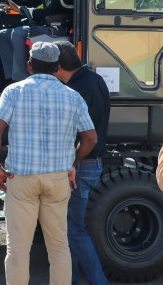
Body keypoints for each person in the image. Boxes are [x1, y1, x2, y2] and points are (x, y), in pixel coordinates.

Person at [0, 41, 97, 285]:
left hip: (21, 179)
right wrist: (73, 163)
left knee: (17, 249)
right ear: (57, 67)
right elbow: (90, 138)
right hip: (58, 179)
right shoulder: (73, 96)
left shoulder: (14, 92)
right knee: (58, 247)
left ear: (29, 66)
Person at [54, 41, 110, 285]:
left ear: (58, 66)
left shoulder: (77, 89)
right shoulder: (94, 80)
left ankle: (97, 281)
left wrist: (73, 163)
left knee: (73, 230)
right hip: (92, 162)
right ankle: (72, 279)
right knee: (70, 230)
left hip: (82, 164)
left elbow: (84, 136)